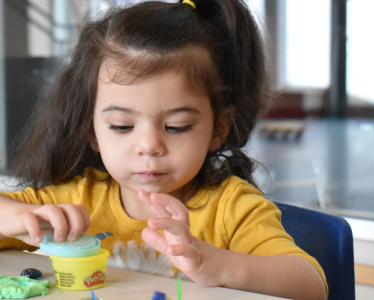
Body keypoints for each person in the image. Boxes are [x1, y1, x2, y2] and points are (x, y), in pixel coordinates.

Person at [0, 1, 327, 299]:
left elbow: (311, 285)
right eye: (122, 127)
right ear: (92, 131)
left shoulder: (231, 209)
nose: (149, 146)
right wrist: (17, 218)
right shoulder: (77, 199)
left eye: (177, 127)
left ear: (219, 129)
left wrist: (217, 265)